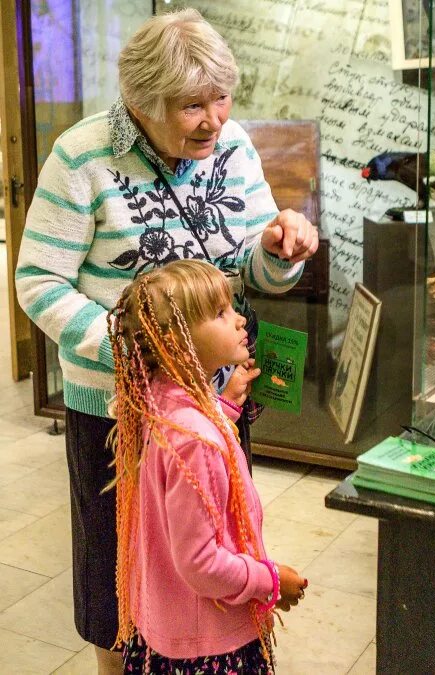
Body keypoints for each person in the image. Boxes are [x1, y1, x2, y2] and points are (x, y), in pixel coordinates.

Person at [14, 9, 318, 674]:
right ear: (141, 102)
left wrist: (281, 249)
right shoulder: (82, 156)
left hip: (216, 401)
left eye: (222, 98)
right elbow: (37, 280)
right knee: (117, 568)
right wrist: (136, 350)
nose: (214, 119)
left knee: (210, 552)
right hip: (117, 409)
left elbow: (254, 267)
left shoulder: (232, 145)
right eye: (191, 106)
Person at [108, 259, 307, 674]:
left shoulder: (160, 401)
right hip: (208, 647)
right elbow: (201, 562)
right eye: (220, 313)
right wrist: (268, 582)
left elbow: (189, 429)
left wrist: (225, 407)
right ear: (178, 342)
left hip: (169, 625)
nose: (239, 321)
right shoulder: (194, 439)